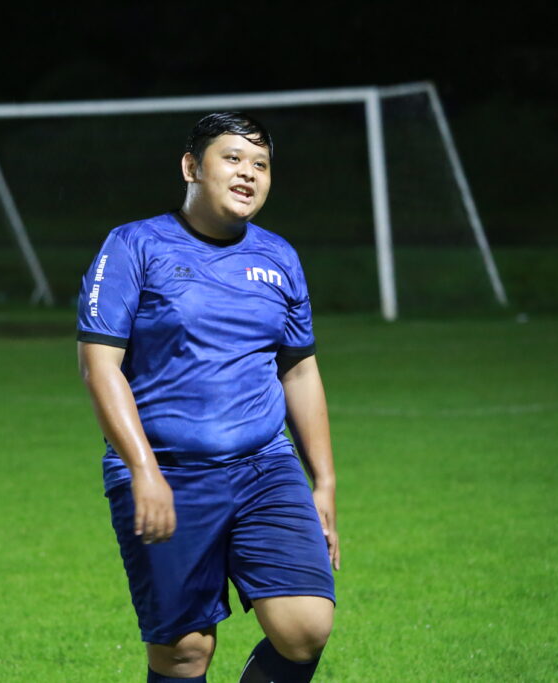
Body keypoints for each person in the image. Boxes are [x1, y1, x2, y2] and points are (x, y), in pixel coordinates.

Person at [76, 112, 339, 683]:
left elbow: (299, 372)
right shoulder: (134, 245)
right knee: (184, 651)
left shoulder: (280, 257)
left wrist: (323, 481)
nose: (249, 173)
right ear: (191, 167)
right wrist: (143, 470)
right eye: (233, 158)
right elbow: (100, 367)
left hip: (264, 465)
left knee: (306, 627)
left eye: (261, 164)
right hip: (167, 469)